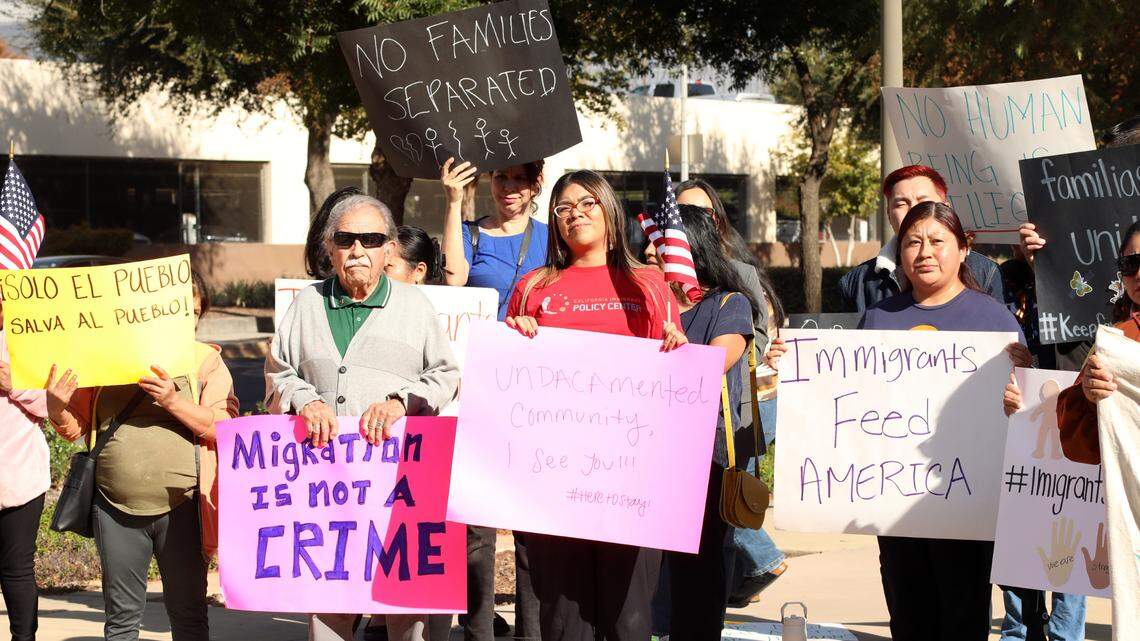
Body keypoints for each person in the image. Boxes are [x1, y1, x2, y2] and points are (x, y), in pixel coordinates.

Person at [771, 201, 1025, 641]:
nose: (925, 252)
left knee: (963, 622)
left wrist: (1018, 391)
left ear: (964, 250)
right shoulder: (880, 317)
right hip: (894, 508)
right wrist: (791, 363)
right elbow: (845, 394)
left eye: (937, 241)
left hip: (966, 510)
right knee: (908, 622)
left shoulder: (993, 320)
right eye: (913, 242)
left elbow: (1023, 410)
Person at [266, 190, 460, 641]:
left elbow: (446, 376)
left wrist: (400, 401)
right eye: (346, 239)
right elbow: (277, 374)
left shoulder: (415, 306)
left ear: (390, 248)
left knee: (401, 611)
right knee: (331, 605)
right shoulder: (306, 306)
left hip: (397, 487)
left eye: (371, 240)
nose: (357, 250)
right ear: (329, 248)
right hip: (324, 490)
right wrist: (303, 399)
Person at [504, 169, 687, 641]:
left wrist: (675, 346)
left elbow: (669, 382)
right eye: (563, 208)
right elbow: (509, 386)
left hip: (630, 480)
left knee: (629, 620)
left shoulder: (648, 283)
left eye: (587, 203)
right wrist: (516, 338)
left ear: (609, 209)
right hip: (554, 479)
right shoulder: (532, 286)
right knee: (563, 621)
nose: (575, 214)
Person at [45, 272, 239, 641]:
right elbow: (77, 426)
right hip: (113, 507)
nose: (188, 319)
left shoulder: (206, 361)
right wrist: (56, 407)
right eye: (179, 309)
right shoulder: (104, 361)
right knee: (120, 620)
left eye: (195, 312)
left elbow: (223, 428)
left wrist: (172, 400)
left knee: (189, 616)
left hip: (184, 510)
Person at [439, 157, 545, 641]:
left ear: (534, 185)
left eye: (519, 180)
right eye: (501, 178)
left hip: (537, 393)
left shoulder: (553, 237)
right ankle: (477, 628)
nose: (508, 188)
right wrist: (453, 200)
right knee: (476, 525)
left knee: (530, 523)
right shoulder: (469, 233)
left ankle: (532, 631)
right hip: (478, 392)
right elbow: (454, 282)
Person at [660, 204, 756, 639]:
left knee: (699, 566)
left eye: (660, 243)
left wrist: (681, 349)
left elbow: (718, 358)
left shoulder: (730, 304)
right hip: (649, 447)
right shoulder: (647, 302)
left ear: (689, 248)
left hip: (705, 457)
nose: (648, 251)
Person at [838, 165, 1004, 312]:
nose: (913, 211)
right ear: (888, 214)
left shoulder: (986, 272)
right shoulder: (856, 284)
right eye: (901, 204)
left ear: (946, 209)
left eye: (923, 201)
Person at [0, 296, 49, 641]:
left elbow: (55, 403)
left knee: (17, 570)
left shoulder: (27, 343)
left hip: (18, 478)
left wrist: (13, 385)